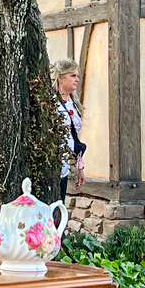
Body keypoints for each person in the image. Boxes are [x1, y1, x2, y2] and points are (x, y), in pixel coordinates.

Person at [54, 58, 85, 194]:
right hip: (52, 165)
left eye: (77, 76)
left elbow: (74, 138)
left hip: (64, 167)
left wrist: (80, 168)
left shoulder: (74, 103)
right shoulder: (51, 102)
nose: (77, 79)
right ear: (60, 78)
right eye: (73, 75)